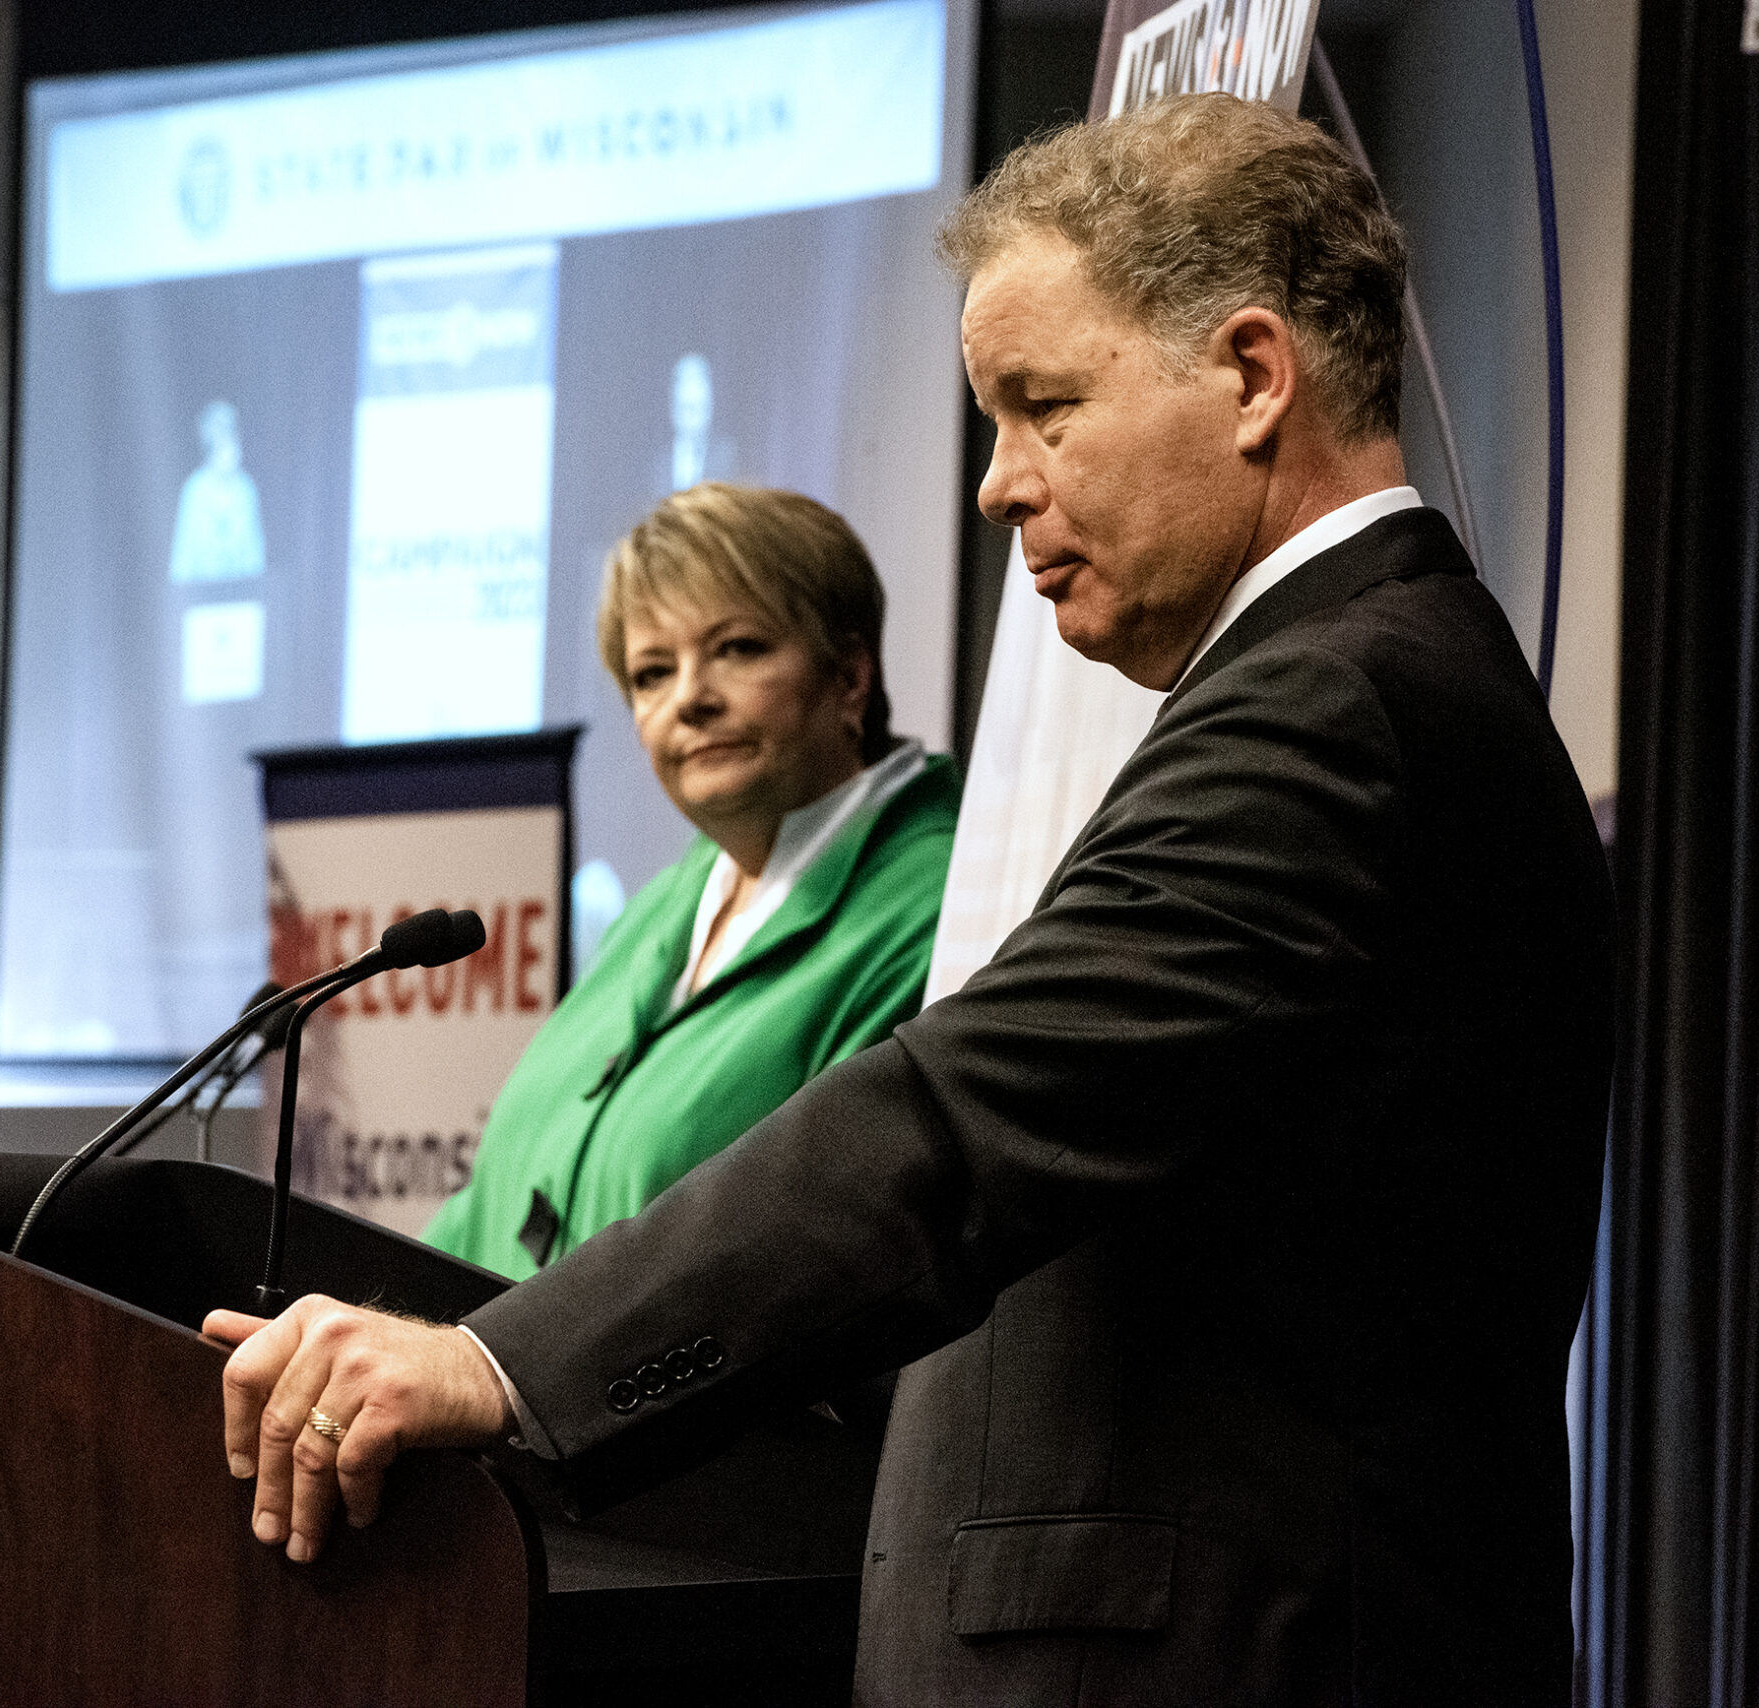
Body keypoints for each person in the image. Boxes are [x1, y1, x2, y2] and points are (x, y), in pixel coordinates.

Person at [207, 95, 1613, 1704]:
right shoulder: (1354, 683)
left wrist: (495, 1367)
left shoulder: (1339, 706)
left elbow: (965, 1122)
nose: (997, 487)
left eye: (1043, 405)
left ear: (1249, 374)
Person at [420, 482, 959, 1277]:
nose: (689, 701)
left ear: (849, 677)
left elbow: (828, 1244)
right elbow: (494, 1200)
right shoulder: (663, 909)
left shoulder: (939, 905)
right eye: (652, 674)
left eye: (738, 648)